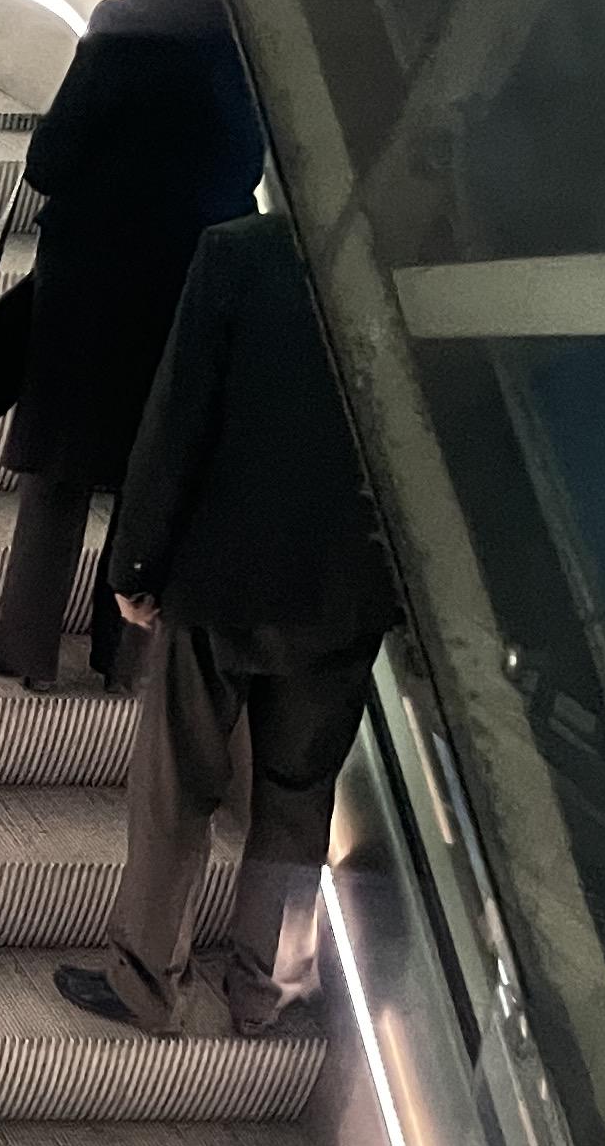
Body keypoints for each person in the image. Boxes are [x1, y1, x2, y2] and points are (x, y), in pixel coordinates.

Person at [56, 212, 397, 1035]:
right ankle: (265, 991)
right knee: (298, 798)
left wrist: (134, 565)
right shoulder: (417, 268)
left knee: (175, 786)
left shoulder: (244, 254)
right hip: (347, 593)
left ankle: (147, 982)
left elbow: (178, 418)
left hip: (222, 577)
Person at [0, 0, 266, 689]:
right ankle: (128, 660)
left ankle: (26, 649)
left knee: (59, 472)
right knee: (157, 467)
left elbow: (52, 161)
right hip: (197, 281)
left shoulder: (125, 22)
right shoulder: (258, 37)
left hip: (93, 280)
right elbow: (250, 165)